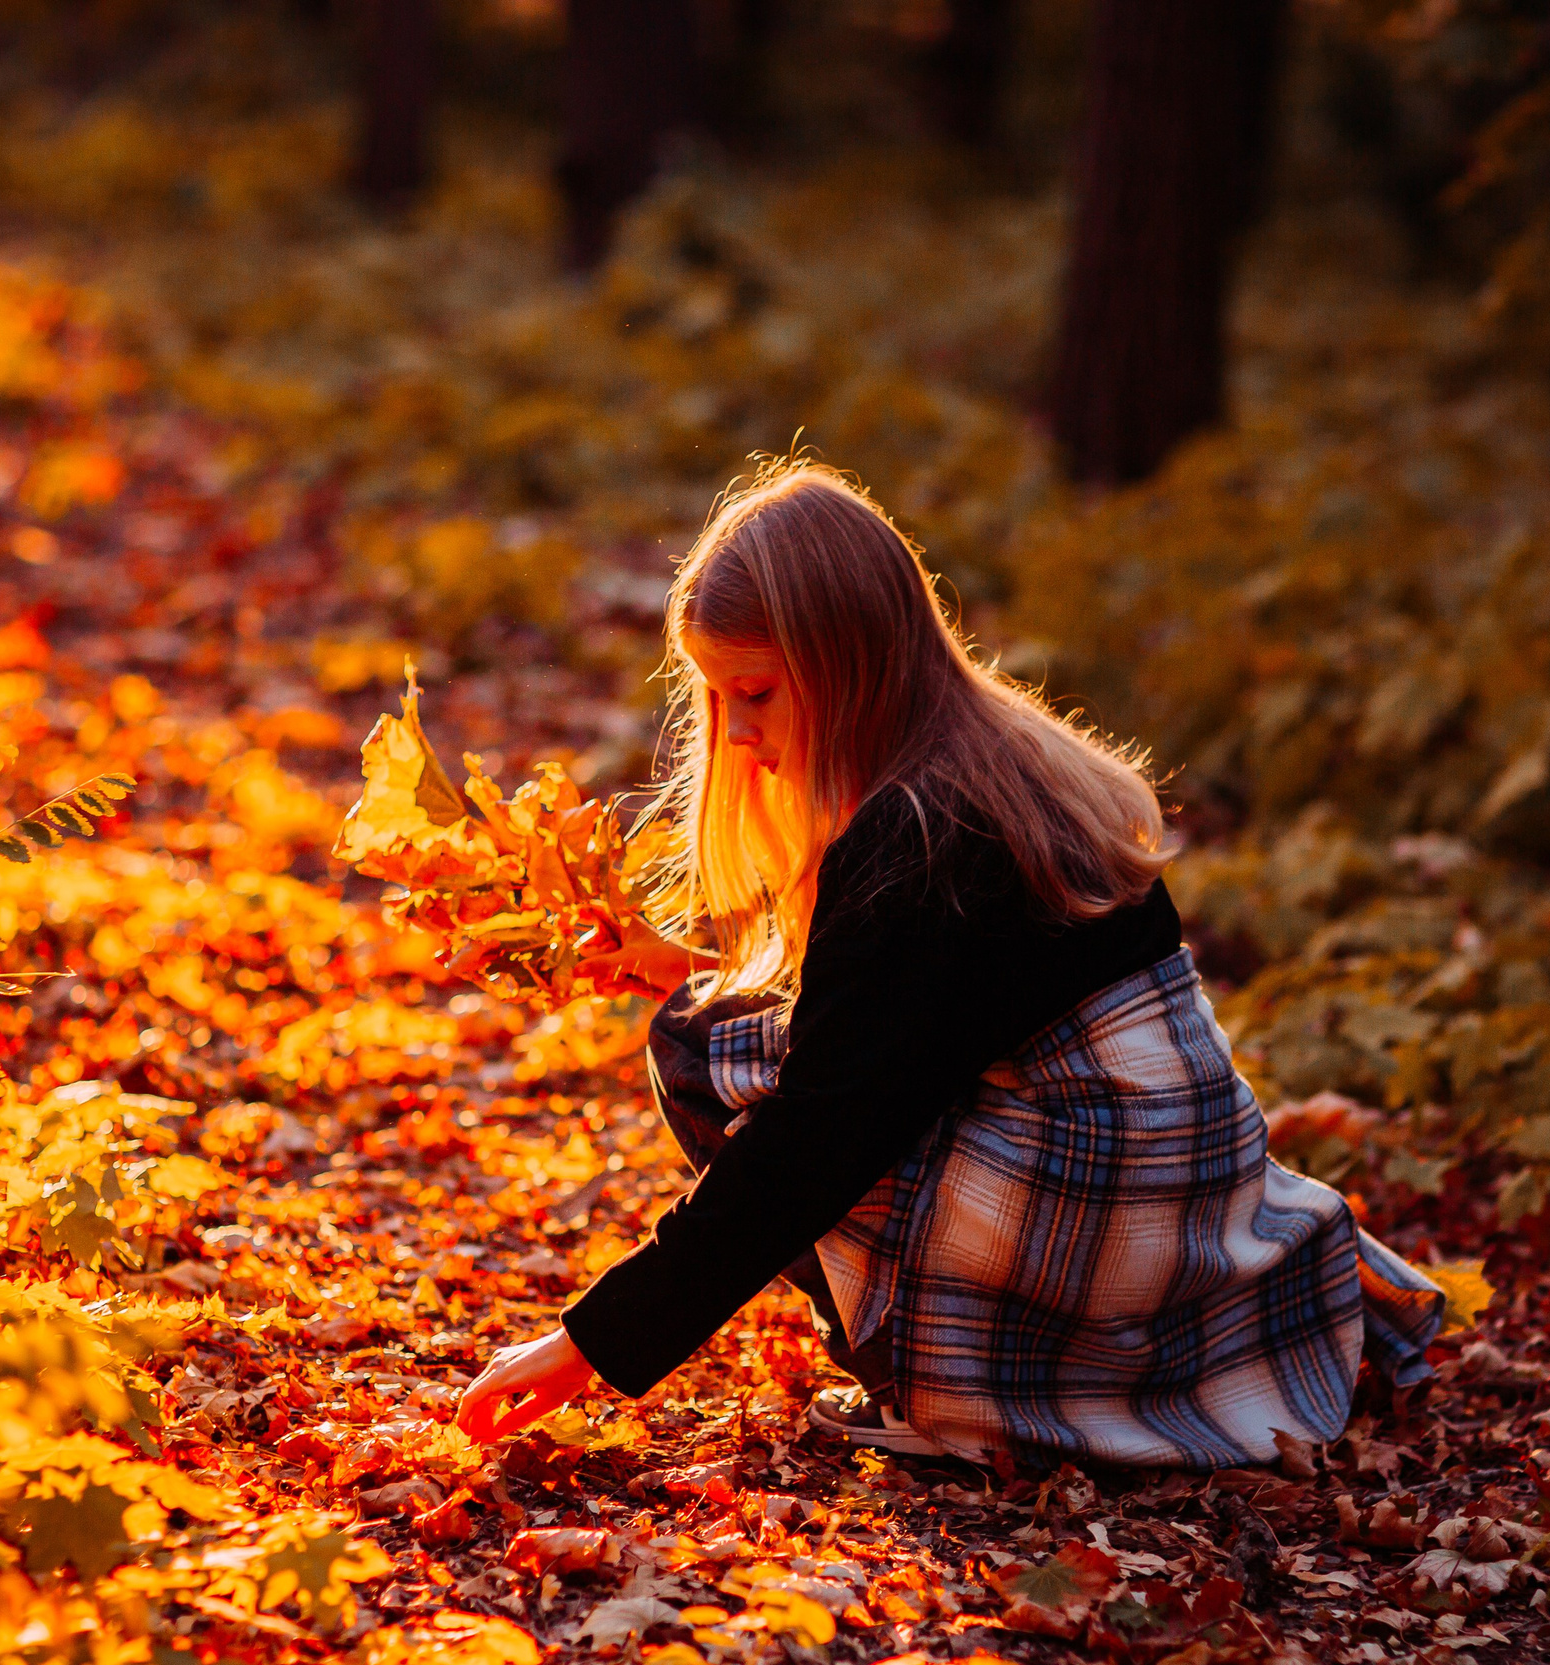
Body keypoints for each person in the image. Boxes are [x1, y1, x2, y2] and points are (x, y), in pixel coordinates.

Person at [454, 458, 1445, 1467]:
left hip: (1109, 1215)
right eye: (717, 698)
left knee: (706, 1051)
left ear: (851, 663)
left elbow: (817, 1137)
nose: (738, 732)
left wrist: (585, 1345)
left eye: (753, 692)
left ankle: (963, 1392)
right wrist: (688, 967)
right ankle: (1036, 1362)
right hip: (1191, 1191)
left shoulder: (914, 834)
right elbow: (927, 1021)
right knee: (719, 1014)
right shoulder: (1004, 754)